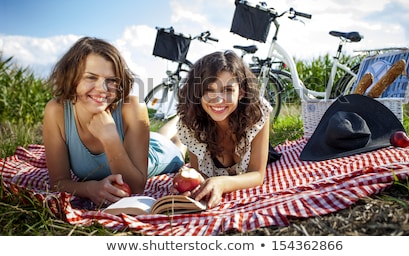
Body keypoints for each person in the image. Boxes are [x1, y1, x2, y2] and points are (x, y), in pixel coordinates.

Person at [43, 36, 186, 206]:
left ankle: (183, 120)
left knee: (178, 144)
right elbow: (58, 182)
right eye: (91, 77)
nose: (102, 89)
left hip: (159, 154)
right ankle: (179, 119)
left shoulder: (132, 108)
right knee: (161, 133)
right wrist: (89, 189)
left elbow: (136, 187)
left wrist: (110, 138)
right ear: (71, 78)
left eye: (111, 80)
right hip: (142, 140)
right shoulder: (57, 111)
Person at [176, 50, 273, 208]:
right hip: (199, 119)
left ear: (241, 92)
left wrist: (221, 183)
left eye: (228, 90)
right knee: (175, 151)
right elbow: (198, 172)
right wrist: (194, 185)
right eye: (210, 90)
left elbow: (257, 175)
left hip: (257, 143)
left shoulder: (258, 113)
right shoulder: (192, 125)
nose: (219, 99)